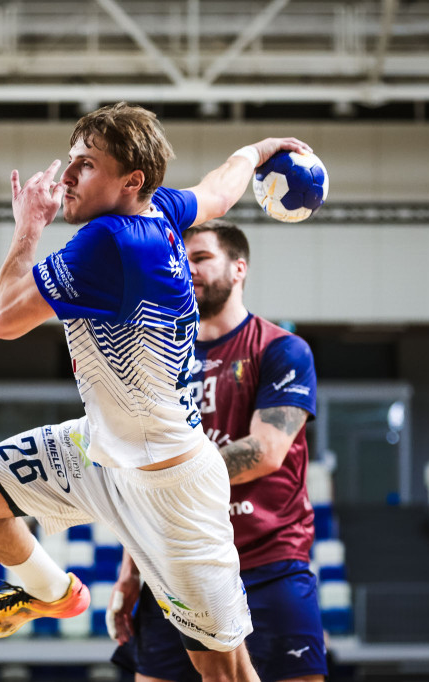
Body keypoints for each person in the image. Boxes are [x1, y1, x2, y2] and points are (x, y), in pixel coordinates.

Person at [0, 101, 312, 682]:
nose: (65, 178)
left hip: (172, 487)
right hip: (99, 449)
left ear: (130, 180)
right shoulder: (160, 208)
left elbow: (2, 319)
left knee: (227, 675)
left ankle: (50, 588)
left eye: (84, 165)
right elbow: (217, 190)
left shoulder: (110, 241)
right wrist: (259, 153)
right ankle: (51, 592)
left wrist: (28, 227)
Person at [107, 220, 324, 682]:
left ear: (239, 268)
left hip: (267, 564)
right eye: (180, 259)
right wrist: (130, 571)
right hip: (172, 569)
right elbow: (137, 473)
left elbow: (266, 451)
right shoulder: (154, 362)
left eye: (201, 257)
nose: (188, 268)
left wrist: (167, 474)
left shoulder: (282, 350)